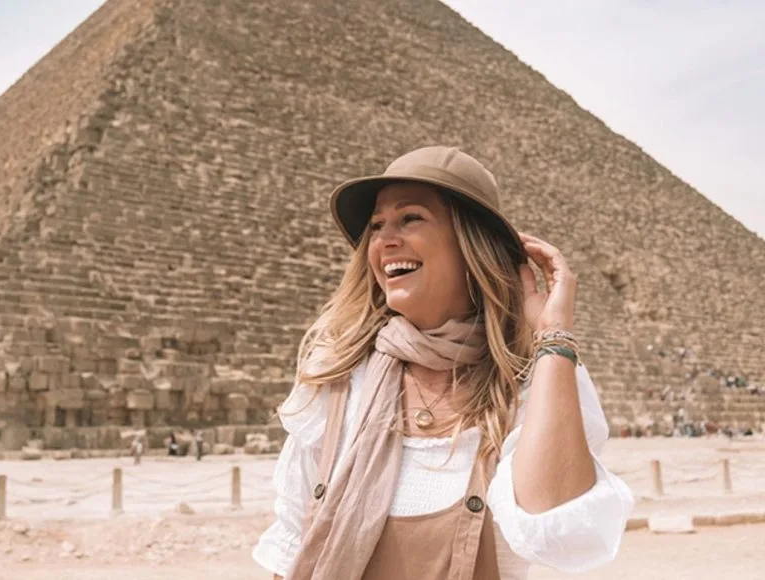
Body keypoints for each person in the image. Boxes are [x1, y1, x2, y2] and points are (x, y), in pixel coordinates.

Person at [252, 146, 634, 579]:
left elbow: (557, 529)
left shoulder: (536, 381)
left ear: (472, 245)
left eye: (410, 218)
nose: (384, 239)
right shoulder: (338, 376)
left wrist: (553, 337)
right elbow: (290, 548)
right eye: (376, 225)